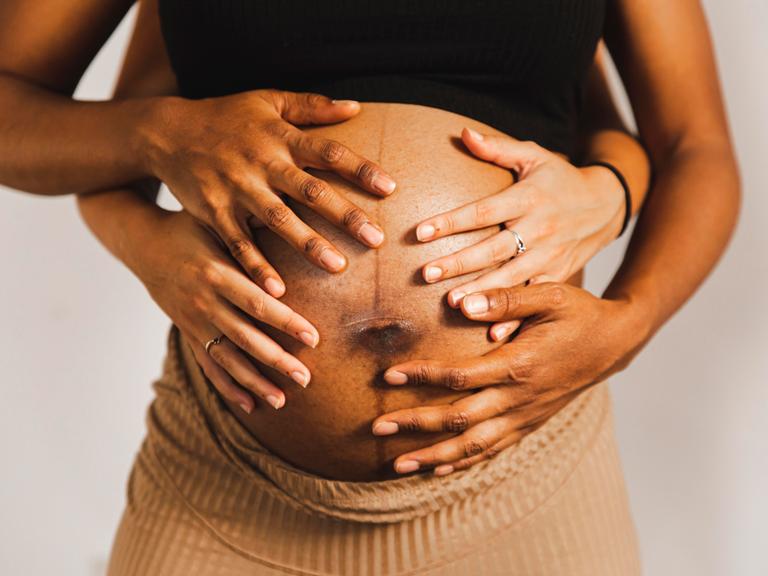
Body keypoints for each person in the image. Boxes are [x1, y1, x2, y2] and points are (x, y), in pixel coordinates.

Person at [0, 1, 738, 574]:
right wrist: (153, 144)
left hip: (528, 487)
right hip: (225, 488)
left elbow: (690, 145)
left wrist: (630, 322)